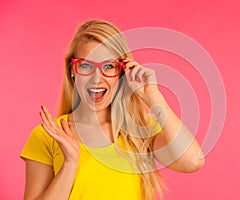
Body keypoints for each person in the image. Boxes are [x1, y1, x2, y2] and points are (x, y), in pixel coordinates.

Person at [20, 20, 205, 200]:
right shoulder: (48, 135)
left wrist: (154, 98)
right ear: (72, 69)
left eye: (109, 66)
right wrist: (69, 164)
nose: (96, 78)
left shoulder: (140, 131)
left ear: (123, 71)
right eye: (86, 65)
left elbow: (192, 161)